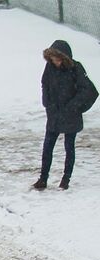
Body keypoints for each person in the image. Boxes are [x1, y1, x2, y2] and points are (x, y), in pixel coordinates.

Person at [35, 40, 94, 191]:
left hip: (70, 115)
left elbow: (88, 90)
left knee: (69, 147)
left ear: (65, 58)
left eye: (57, 58)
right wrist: (46, 101)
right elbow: (45, 83)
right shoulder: (49, 67)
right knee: (48, 146)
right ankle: (43, 179)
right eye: (53, 58)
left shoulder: (76, 69)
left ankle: (65, 179)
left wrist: (73, 106)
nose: (55, 61)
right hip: (54, 113)